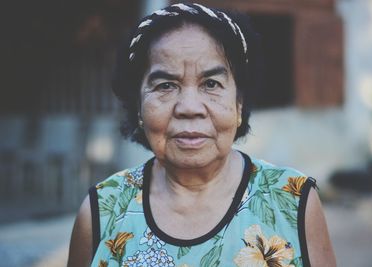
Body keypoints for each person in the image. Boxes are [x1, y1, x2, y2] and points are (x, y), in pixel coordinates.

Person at [68, 3, 336, 267]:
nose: (189, 108)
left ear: (239, 104)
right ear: (138, 106)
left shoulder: (293, 201)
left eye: (211, 84)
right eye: (165, 85)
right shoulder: (101, 212)